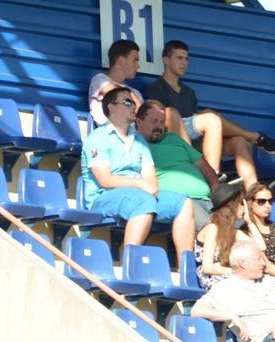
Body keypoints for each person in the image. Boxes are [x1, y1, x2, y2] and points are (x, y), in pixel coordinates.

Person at [144, 40, 275, 184]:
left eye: (186, 59)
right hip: (173, 139)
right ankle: (214, 176)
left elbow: (194, 124)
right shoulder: (156, 88)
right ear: (166, 60)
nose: (184, 63)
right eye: (179, 58)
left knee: (239, 140)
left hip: (193, 142)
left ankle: (253, 188)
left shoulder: (189, 92)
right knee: (211, 118)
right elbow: (157, 122)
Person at [81, 87, 194, 254]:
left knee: (183, 203)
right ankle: (132, 262)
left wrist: (145, 187)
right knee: (144, 200)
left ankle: (185, 266)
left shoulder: (139, 139)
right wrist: (140, 184)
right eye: (128, 102)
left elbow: (151, 180)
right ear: (112, 107)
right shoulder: (97, 138)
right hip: (104, 197)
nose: (134, 106)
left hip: (137, 196)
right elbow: (105, 180)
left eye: (133, 102)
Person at [135, 100, 217, 229]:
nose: (158, 126)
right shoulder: (134, 145)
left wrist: (215, 186)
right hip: (181, 202)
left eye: (162, 122)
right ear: (139, 121)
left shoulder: (173, 138)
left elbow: (202, 164)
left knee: (239, 227)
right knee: (212, 231)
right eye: (154, 121)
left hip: (208, 200)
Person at [88, 39, 144, 126]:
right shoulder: (99, 80)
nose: (138, 66)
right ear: (121, 61)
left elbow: (143, 116)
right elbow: (118, 94)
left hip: (132, 133)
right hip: (107, 132)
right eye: (135, 60)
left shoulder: (135, 93)